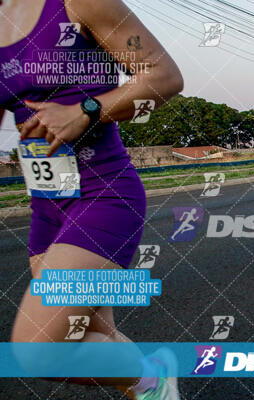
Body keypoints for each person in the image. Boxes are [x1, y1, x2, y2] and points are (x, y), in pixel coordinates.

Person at [1, 0, 184, 398]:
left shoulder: (78, 3)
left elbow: (165, 77)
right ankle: (152, 390)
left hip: (104, 195)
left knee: (38, 351)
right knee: (92, 333)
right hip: (47, 207)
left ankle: (151, 377)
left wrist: (86, 110)